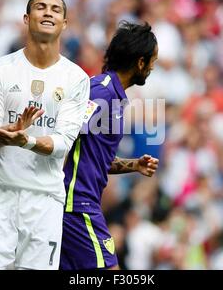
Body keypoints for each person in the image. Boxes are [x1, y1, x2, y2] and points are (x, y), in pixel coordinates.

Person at [0, 0, 90, 270]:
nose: (48, 12)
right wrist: (5, 133)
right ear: (26, 18)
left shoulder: (76, 79)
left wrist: (25, 141)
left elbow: (62, 143)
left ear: (64, 23)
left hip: (45, 201)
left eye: (55, 9)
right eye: (40, 7)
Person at [60, 21, 159, 270]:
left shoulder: (114, 97)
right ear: (140, 62)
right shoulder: (100, 93)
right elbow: (62, 138)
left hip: (78, 203)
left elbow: (94, 159)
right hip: (76, 204)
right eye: (152, 60)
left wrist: (134, 165)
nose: (152, 67)